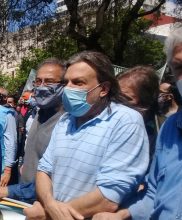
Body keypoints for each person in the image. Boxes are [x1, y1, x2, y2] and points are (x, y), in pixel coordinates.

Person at [24, 51, 149, 220]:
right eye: (66, 82)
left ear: (103, 89)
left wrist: (48, 214)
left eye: (78, 82)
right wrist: (49, 203)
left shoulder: (126, 121)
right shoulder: (66, 120)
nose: (68, 88)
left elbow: (109, 197)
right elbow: (44, 170)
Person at [93, 28, 182, 220]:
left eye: (125, 99)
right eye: (180, 68)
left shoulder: (153, 130)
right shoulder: (170, 130)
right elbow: (153, 194)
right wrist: (124, 215)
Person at [0, 58, 66, 204]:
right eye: (38, 81)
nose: (41, 87)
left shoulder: (66, 123)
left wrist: (11, 190)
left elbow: (62, 182)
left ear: (64, 85)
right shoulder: (39, 114)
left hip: (46, 206)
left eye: (49, 82)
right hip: (26, 201)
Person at [117, 66, 160, 158]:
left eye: (124, 98)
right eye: (115, 95)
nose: (115, 102)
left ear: (146, 103)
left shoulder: (160, 131)